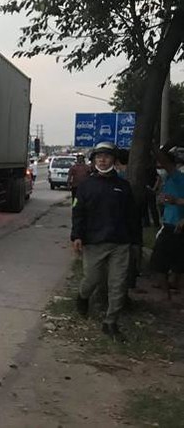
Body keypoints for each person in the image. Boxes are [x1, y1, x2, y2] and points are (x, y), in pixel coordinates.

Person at [71, 142, 142, 341]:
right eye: (98, 156)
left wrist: (135, 242)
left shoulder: (123, 186)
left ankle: (110, 322)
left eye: (107, 156)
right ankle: (83, 297)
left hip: (120, 243)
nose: (102, 160)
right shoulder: (86, 186)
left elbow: (132, 217)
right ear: (94, 160)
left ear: (114, 160)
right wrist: (76, 236)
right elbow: (78, 213)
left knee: (118, 284)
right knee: (91, 280)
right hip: (93, 242)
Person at [150, 144, 184, 293]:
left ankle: (168, 298)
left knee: (160, 263)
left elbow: (165, 162)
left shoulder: (178, 177)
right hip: (169, 224)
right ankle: (170, 293)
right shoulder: (169, 180)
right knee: (175, 264)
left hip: (176, 226)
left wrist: (152, 146)